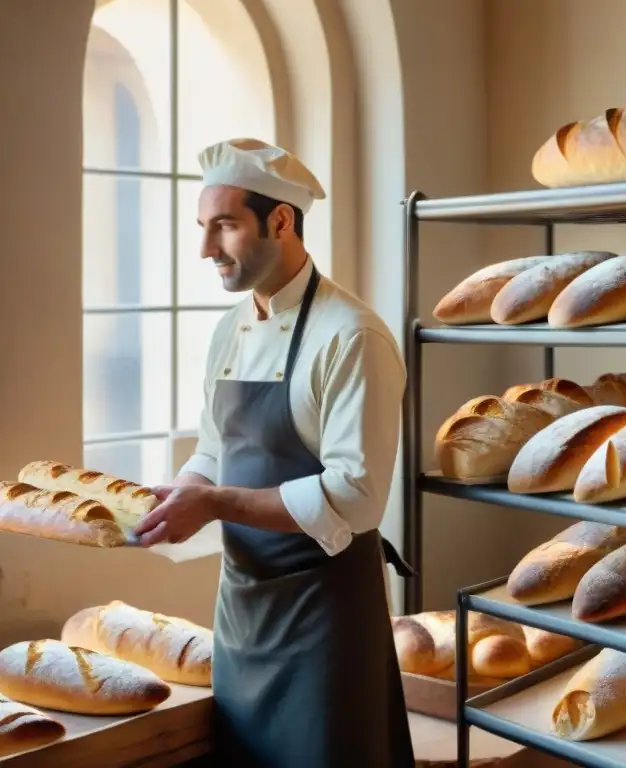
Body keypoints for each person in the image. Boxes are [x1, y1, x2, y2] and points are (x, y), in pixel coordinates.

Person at [133, 138, 416, 767]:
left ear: (281, 221)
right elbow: (214, 448)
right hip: (242, 612)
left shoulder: (353, 336)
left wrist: (211, 503)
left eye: (225, 226)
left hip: (324, 621)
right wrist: (178, 495)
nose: (206, 249)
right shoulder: (229, 328)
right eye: (203, 228)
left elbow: (356, 499)